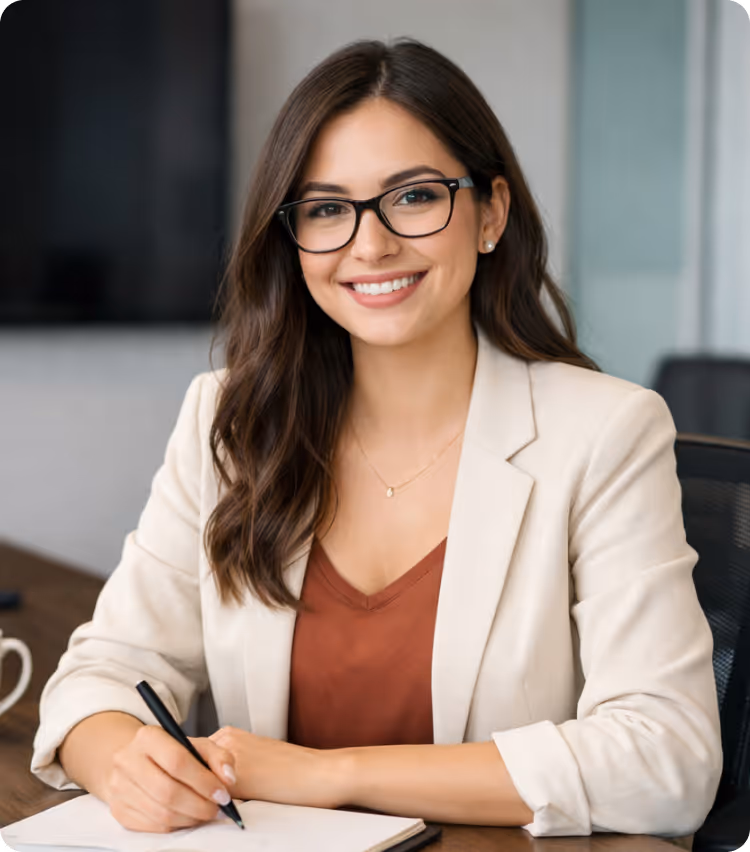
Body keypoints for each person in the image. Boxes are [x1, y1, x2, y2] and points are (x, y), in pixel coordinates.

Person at [31, 38, 722, 837]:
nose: (370, 245)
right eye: (325, 209)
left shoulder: (605, 432)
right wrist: (124, 761)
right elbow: (100, 677)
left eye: (415, 197)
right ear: (291, 240)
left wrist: (329, 775)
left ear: (490, 213)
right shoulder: (230, 422)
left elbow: (668, 757)